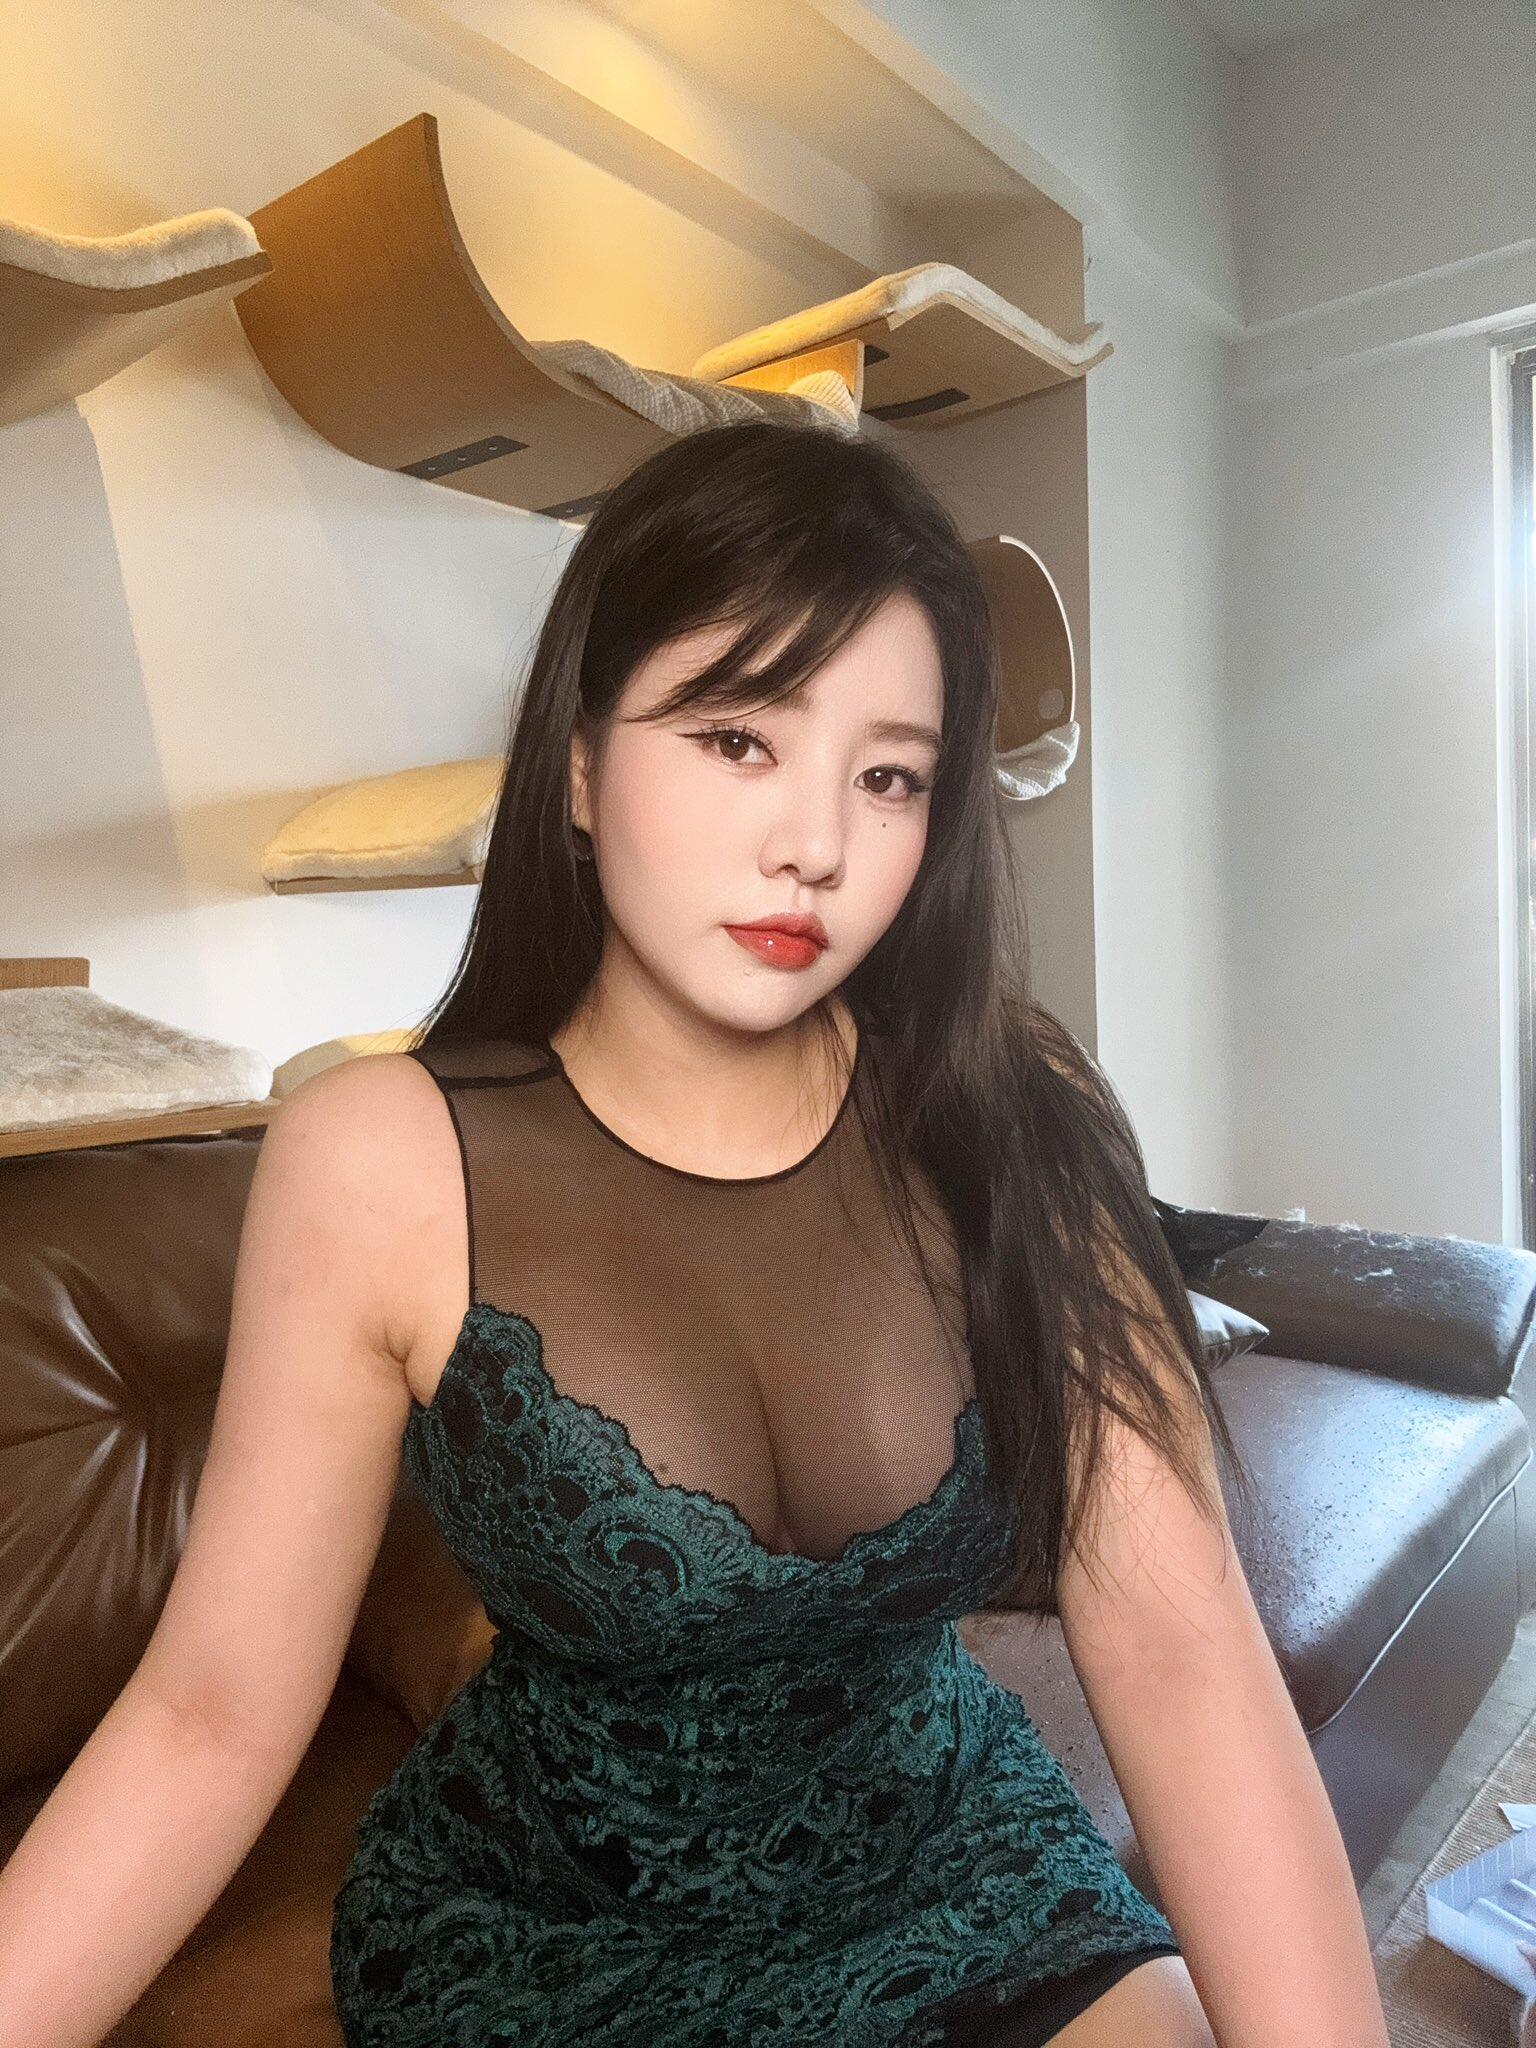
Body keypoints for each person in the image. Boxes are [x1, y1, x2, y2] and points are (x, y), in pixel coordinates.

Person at [0, 419, 1389, 2048]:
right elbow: (209, 1715)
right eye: (740, 738)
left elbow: (1180, 1649)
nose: (818, 844)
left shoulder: (1016, 1110)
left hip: (950, 1861)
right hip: (560, 1937)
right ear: (580, 765)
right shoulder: (381, 1162)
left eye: (888, 776)